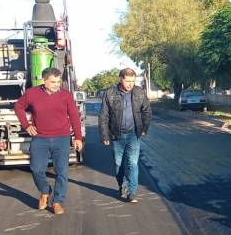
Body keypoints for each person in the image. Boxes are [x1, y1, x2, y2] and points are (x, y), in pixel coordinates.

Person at [14, 67, 83, 215]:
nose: (56, 85)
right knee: (36, 169)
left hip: (62, 139)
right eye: (53, 82)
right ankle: (45, 191)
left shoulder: (66, 95)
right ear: (44, 81)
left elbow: (74, 116)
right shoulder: (32, 93)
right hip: (40, 139)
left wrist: (78, 137)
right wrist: (26, 125)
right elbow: (18, 106)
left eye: (58, 82)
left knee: (62, 172)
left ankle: (57, 201)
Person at [98, 68, 152, 203]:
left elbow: (147, 111)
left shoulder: (139, 92)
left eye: (133, 81)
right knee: (118, 164)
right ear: (120, 79)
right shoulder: (110, 93)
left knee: (133, 163)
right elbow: (104, 116)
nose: (130, 84)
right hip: (117, 135)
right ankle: (121, 186)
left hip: (134, 134)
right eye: (127, 81)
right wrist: (104, 136)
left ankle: (132, 191)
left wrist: (144, 127)